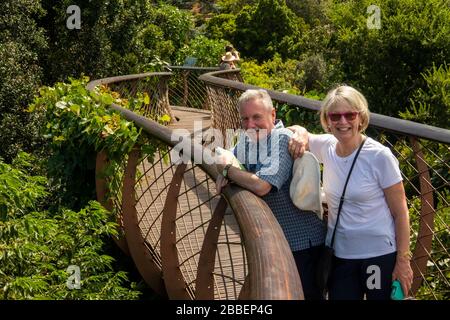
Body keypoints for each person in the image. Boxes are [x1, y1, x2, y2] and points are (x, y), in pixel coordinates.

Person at [288, 85, 414, 300]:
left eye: (350, 115)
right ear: (327, 120)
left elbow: (401, 212)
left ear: (361, 117)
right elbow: (298, 131)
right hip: (342, 255)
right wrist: (300, 135)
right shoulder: (327, 147)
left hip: (378, 256)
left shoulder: (380, 156)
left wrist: (403, 261)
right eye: (335, 116)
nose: (343, 122)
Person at [215, 89, 326, 300]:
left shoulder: (282, 139)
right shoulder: (248, 141)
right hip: (276, 241)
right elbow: (230, 156)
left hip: (302, 242)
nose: (250, 124)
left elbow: (262, 186)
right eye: (245, 118)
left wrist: (229, 172)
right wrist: (227, 170)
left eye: (257, 117)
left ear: (273, 115)